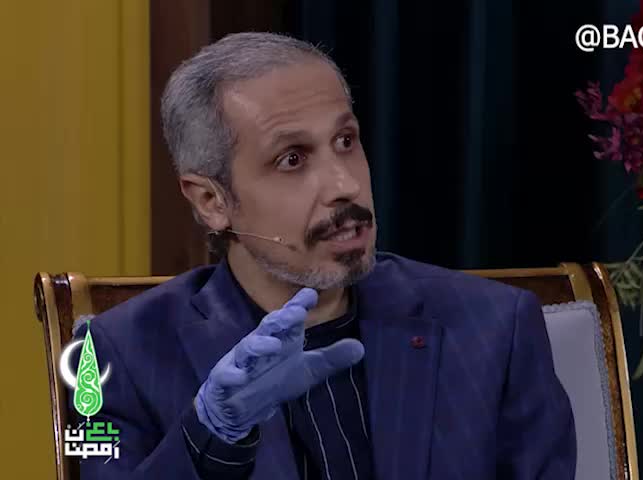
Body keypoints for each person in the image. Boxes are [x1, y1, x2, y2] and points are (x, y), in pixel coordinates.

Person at [71, 32, 576, 480]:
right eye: (292, 159)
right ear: (211, 201)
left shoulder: (496, 327)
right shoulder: (111, 355)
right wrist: (212, 439)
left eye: (345, 141)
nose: (345, 184)